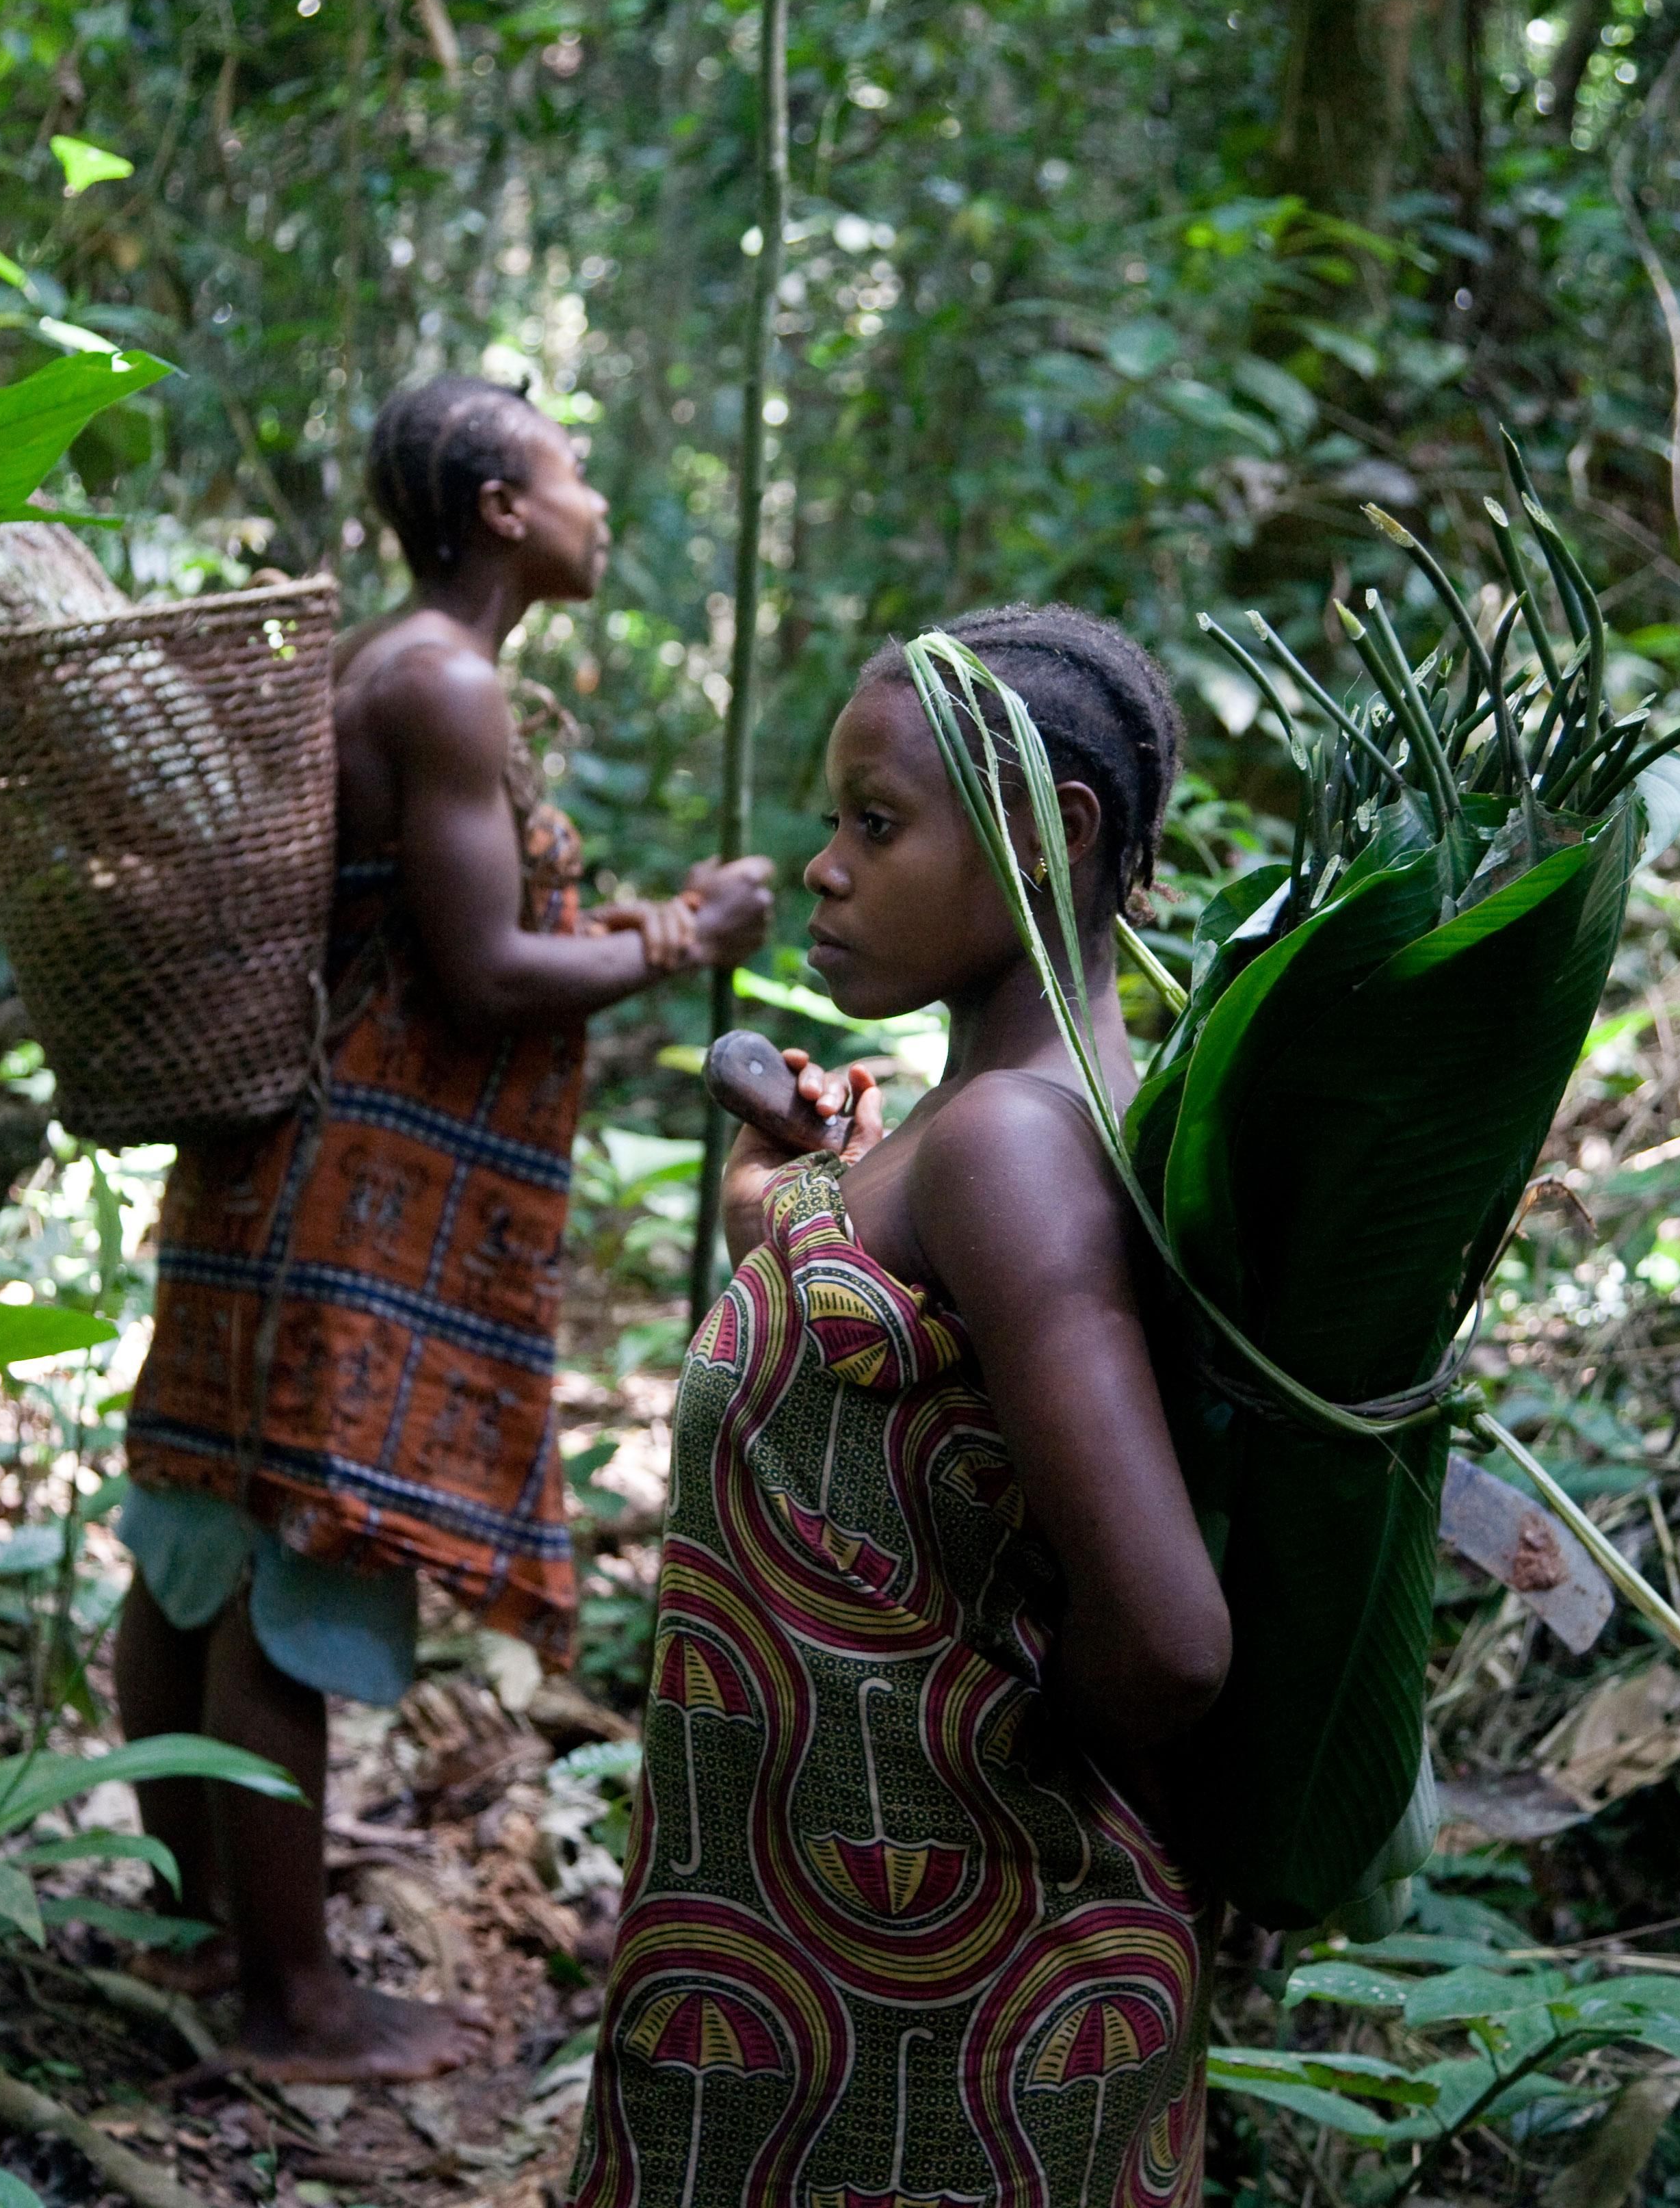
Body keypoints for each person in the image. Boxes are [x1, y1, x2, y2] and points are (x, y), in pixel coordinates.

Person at [116, 375, 774, 2083]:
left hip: (271, 1179)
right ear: (498, 509)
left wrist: (640, 924)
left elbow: (425, 929)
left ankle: (211, 1946)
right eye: (572, 471)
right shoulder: (444, 679)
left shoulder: (391, 666)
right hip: (344, 1200)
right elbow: (482, 978)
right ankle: (296, 2005)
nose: (597, 501)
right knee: (279, 1576)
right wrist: (679, 949)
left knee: (200, 1558)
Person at [568, 604, 1229, 2208]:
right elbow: (909, 1420)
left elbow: (1167, 1636)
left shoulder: (1008, 1145)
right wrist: (780, 1222)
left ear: (1052, 835)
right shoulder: (981, 1133)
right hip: (857, 2009)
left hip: (947, 2012)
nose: (823, 867)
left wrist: (991, 1787)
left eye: (877, 823)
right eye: (830, 824)